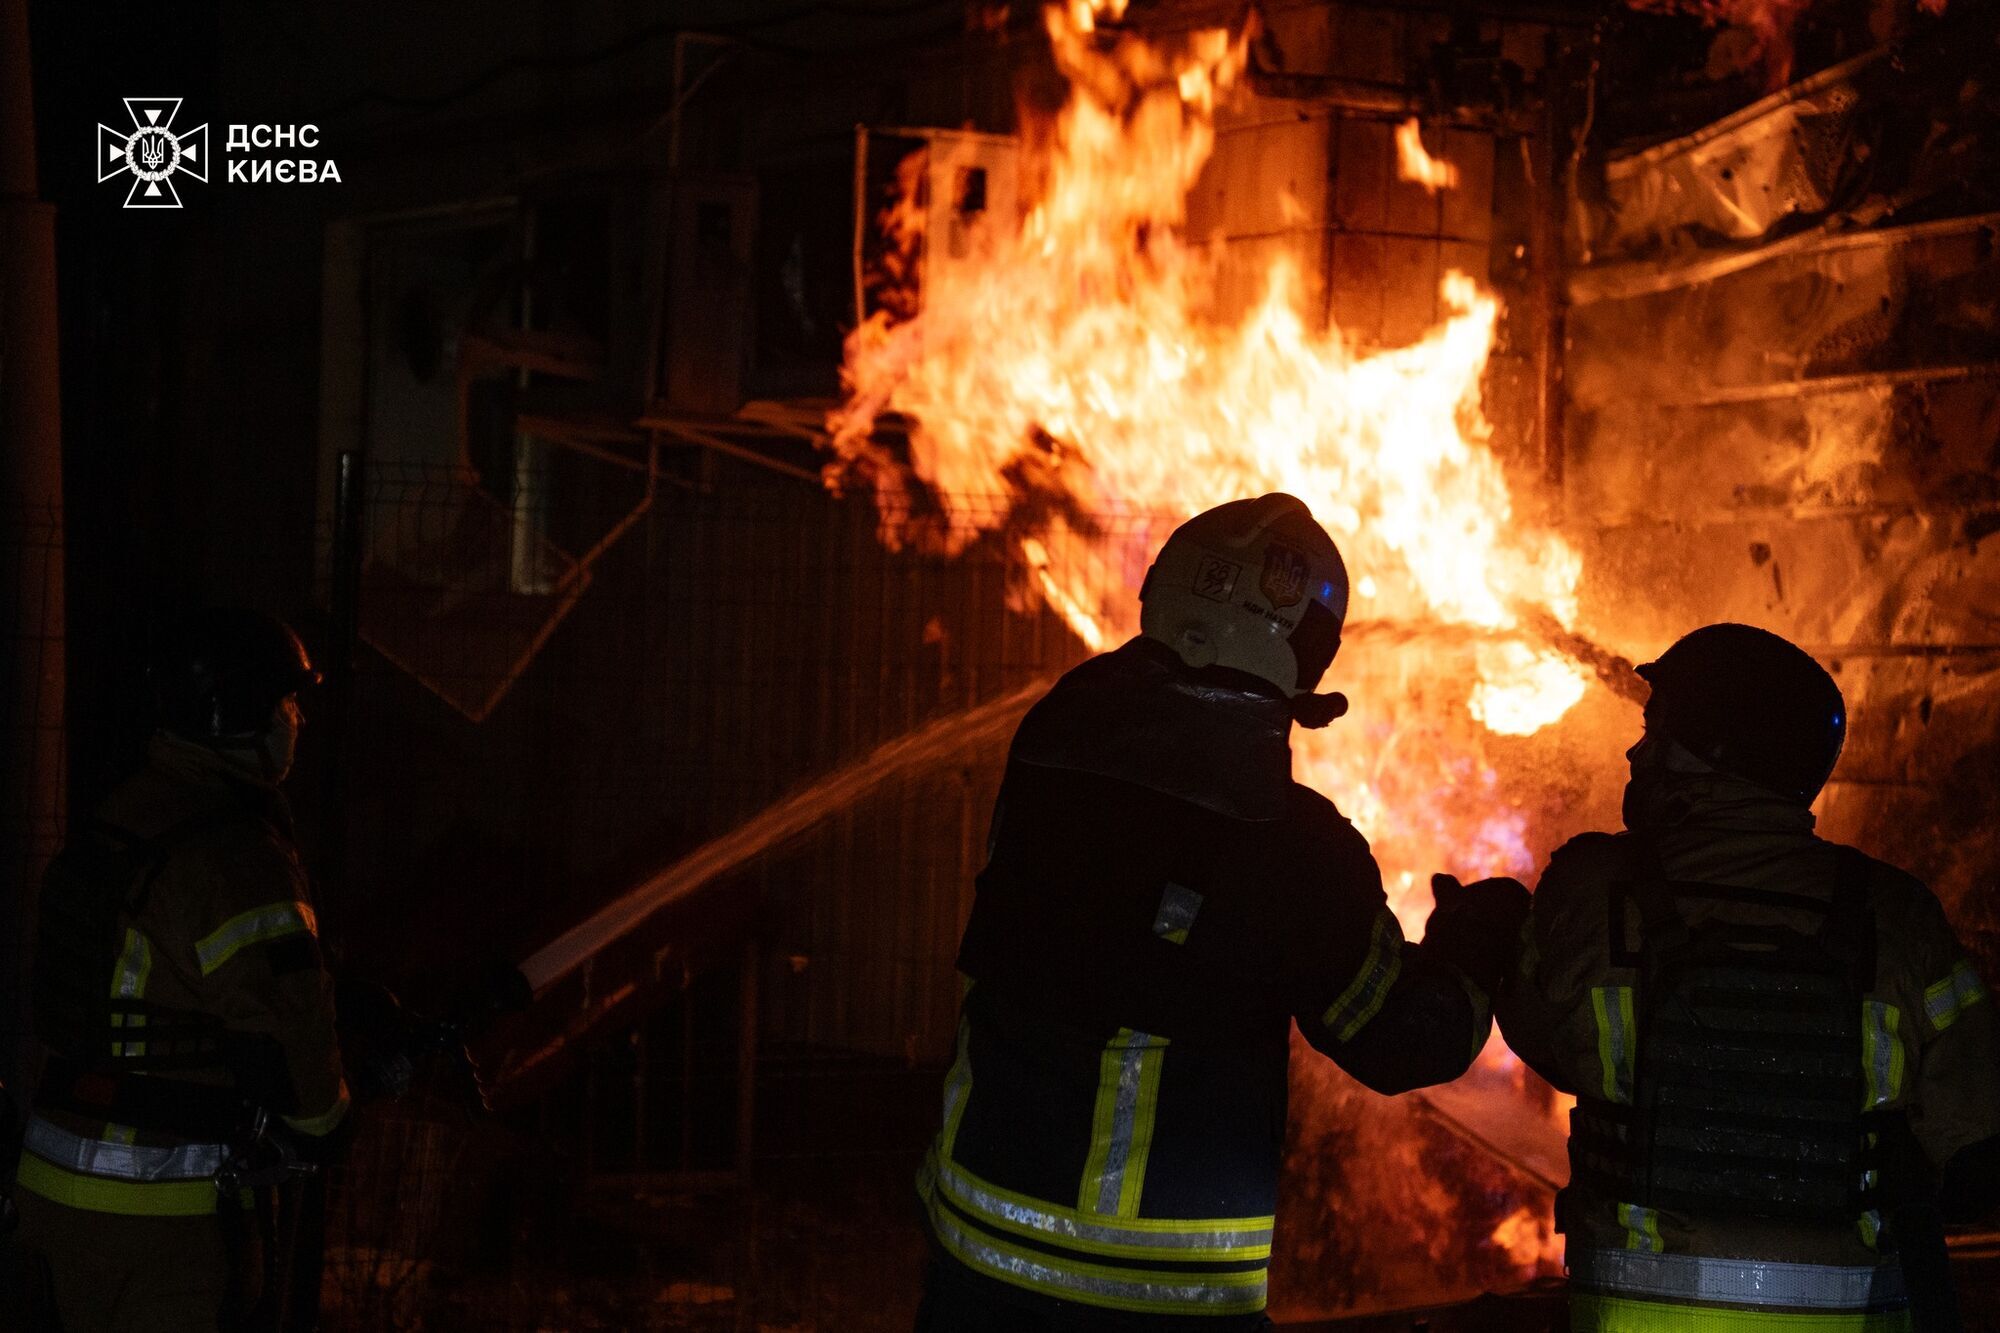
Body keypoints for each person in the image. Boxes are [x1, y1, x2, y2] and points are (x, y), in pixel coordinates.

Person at [912, 494, 1530, 1329]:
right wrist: (1472, 945)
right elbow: (1400, 1040)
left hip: (973, 1253)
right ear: (1301, 650)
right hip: (1157, 1294)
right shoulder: (1295, 843)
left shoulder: (1052, 746)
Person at [1496, 622, 2000, 1332]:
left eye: (1657, 729)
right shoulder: (1899, 916)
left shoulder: (1596, 890)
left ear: (1714, 755)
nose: (1637, 751)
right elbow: (1977, 1132)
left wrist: (1483, 937)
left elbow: (1535, 1031)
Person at [14, 608, 351, 1332]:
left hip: (45, 1188)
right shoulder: (239, 857)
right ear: (238, 714)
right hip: (160, 1214)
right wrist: (329, 1120)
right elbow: (292, 1030)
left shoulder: (125, 812)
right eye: (287, 702)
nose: (298, 719)